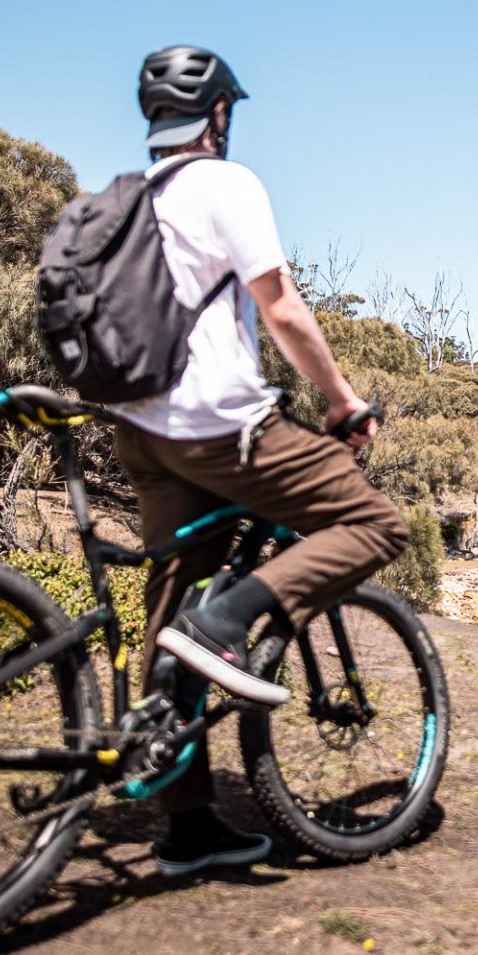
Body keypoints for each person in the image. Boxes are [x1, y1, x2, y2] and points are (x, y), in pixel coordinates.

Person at [112, 45, 410, 876]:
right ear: (218, 115)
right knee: (372, 521)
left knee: (168, 615)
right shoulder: (226, 183)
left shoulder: (126, 199)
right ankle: (230, 621)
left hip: (137, 431)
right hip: (213, 421)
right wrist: (342, 400)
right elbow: (279, 307)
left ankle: (189, 827)